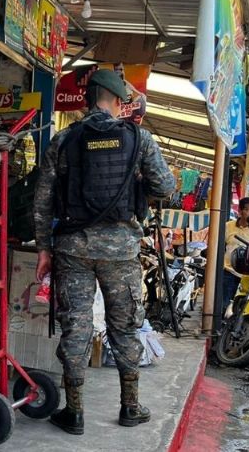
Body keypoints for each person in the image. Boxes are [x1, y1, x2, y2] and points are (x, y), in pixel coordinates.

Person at [33, 69, 176, 436]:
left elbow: (43, 200)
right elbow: (165, 188)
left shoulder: (63, 141)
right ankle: (130, 407)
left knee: (76, 326)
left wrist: (44, 250)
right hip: (121, 252)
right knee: (124, 328)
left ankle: (74, 412)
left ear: (87, 98)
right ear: (116, 100)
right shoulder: (139, 139)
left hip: (72, 249)